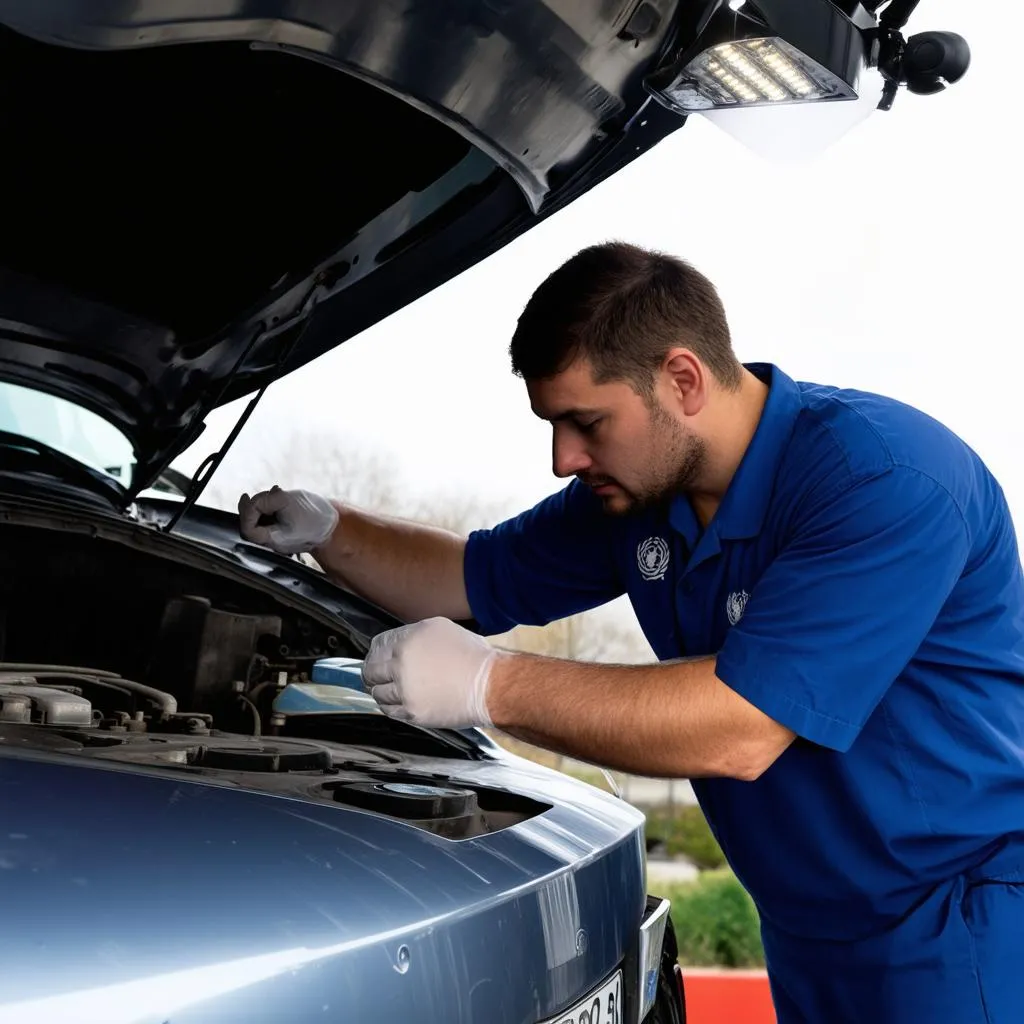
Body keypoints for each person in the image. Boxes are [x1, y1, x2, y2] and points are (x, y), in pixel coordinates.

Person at [238, 241, 1024, 1022]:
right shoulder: (638, 495)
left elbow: (739, 729)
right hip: (810, 931)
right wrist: (329, 529)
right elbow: (468, 578)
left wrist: (486, 683)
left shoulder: (882, 478)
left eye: (585, 422)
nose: (562, 458)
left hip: (958, 922)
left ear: (682, 379)